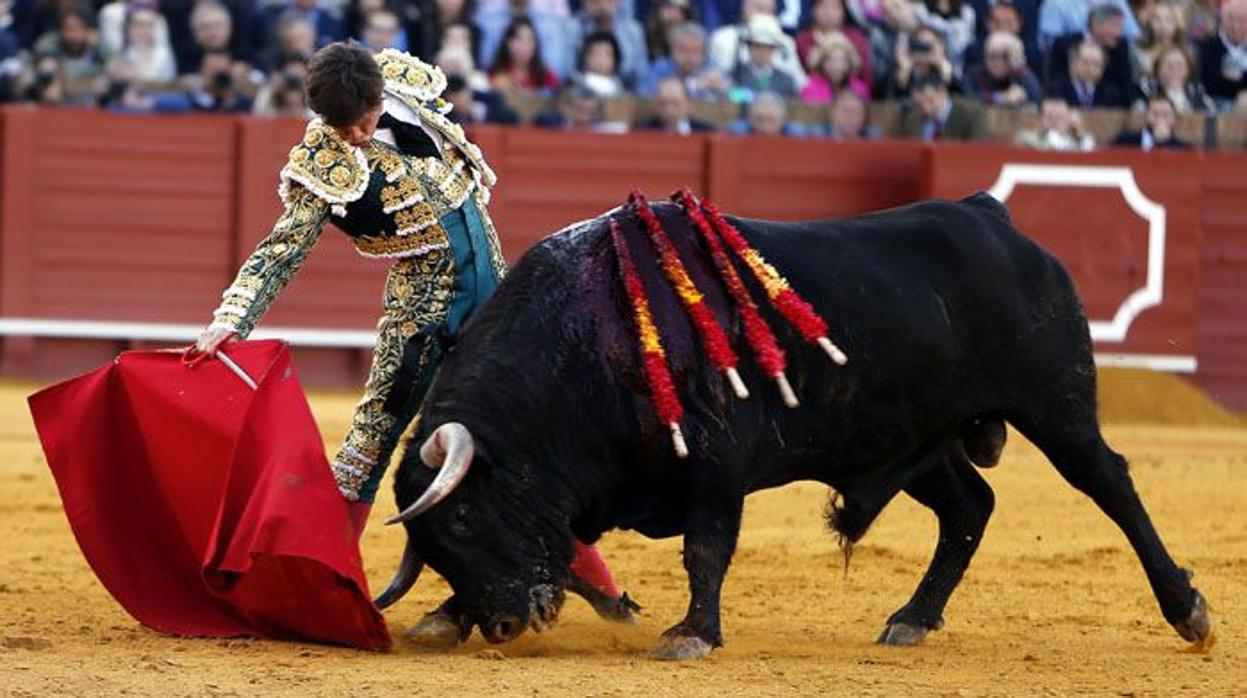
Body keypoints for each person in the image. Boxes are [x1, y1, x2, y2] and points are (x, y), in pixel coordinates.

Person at [195, 43, 630, 639]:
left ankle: (599, 590)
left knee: (525, 446)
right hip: (423, 313)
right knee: (371, 441)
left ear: (380, 96)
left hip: (497, 304)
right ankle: (326, 593)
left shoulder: (409, 89)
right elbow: (280, 252)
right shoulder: (323, 161)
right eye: (341, 126)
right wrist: (232, 317)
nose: (354, 135)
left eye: (363, 120)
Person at [638, 21, 730, 99]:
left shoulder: (712, 69)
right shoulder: (659, 69)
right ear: (673, 51)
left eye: (696, 51)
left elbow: (743, 96)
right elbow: (643, 95)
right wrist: (694, 86)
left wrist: (726, 89)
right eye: (684, 50)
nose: (690, 56)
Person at [796, 0, 873, 85]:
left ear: (843, 11)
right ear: (813, 10)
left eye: (835, 7)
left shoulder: (857, 39)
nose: (829, 13)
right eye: (823, 7)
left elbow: (866, 76)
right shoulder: (803, 40)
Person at [962, 30, 1041, 106]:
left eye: (1005, 57)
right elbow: (971, 100)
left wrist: (1018, 64)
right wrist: (1002, 98)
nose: (998, 62)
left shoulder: (1018, 73)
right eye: (992, 56)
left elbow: (1036, 97)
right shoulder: (973, 74)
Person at [730, 13, 799, 99]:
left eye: (766, 47)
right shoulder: (735, 74)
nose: (761, 51)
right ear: (748, 46)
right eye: (757, 45)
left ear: (774, 49)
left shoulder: (786, 80)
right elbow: (729, 96)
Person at [899, 72, 986, 140]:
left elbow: (976, 151)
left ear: (942, 91)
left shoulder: (971, 114)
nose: (925, 109)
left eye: (929, 101)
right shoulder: (912, 119)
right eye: (919, 105)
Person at [1196, 0, 1247, 109]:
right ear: (1222, 20)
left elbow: (1220, 79)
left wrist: (1237, 76)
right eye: (1231, 19)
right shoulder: (1208, 46)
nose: (1236, 26)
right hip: (1216, 106)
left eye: (1242, 20)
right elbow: (1210, 84)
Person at [488, 17, 560, 92]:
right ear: (508, 42)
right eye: (519, 39)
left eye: (529, 40)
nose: (524, 46)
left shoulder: (546, 76)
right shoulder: (495, 72)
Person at [1051, 39, 1128, 108]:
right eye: (1085, 63)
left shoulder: (1110, 94)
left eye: (1096, 64)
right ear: (1072, 63)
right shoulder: (1055, 89)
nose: (1091, 69)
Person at [1137, 45, 1214, 113]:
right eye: (1169, 66)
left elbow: (1211, 115)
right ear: (1158, 70)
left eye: (1179, 66)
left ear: (1188, 70)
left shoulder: (1198, 93)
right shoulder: (1147, 90)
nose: (1175, 70)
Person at [799, 30, 870, 103]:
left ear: (849, 62)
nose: (837, 66)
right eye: (831, 60)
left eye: (842, 60)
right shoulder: (810, 88)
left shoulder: (860, 89)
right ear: (821, 62)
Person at [638, 74, 716, 132]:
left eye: (676, 104)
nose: (670, 110)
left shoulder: (706, 131)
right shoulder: (644, 131)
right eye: (663, 103)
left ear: (688, 104)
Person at [1015, 95, 1095, 150]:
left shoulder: (1079, 140)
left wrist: (1079, 133)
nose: (1056, 122)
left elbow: (1088, 147)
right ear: (1040, 118)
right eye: (1050, 117)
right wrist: (1044, 133)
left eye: (1060, 117)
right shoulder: (1028, 138)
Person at [1112, 95, 1191, 149]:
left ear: (1174, 119)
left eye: (1165, 115)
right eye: (1155, 114)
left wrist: (1163, 142)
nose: (1160, 119)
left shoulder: (1184, 148)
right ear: (1146, 116)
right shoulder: (1125, 141)